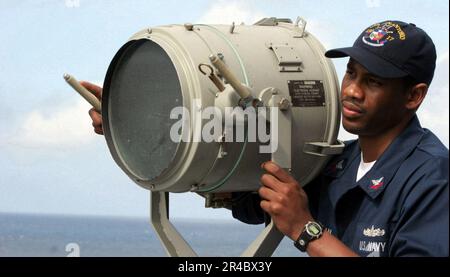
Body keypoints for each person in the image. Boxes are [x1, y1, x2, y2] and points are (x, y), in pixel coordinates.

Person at [86, 20, 448, 257]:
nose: (352, 91)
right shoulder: (338, 164)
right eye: (351, 73)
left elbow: (296, 221)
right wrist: (131, 122)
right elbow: (249, 199)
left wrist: (307, 229)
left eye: (374, 82)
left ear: (413, 96)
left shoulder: (432, 177)